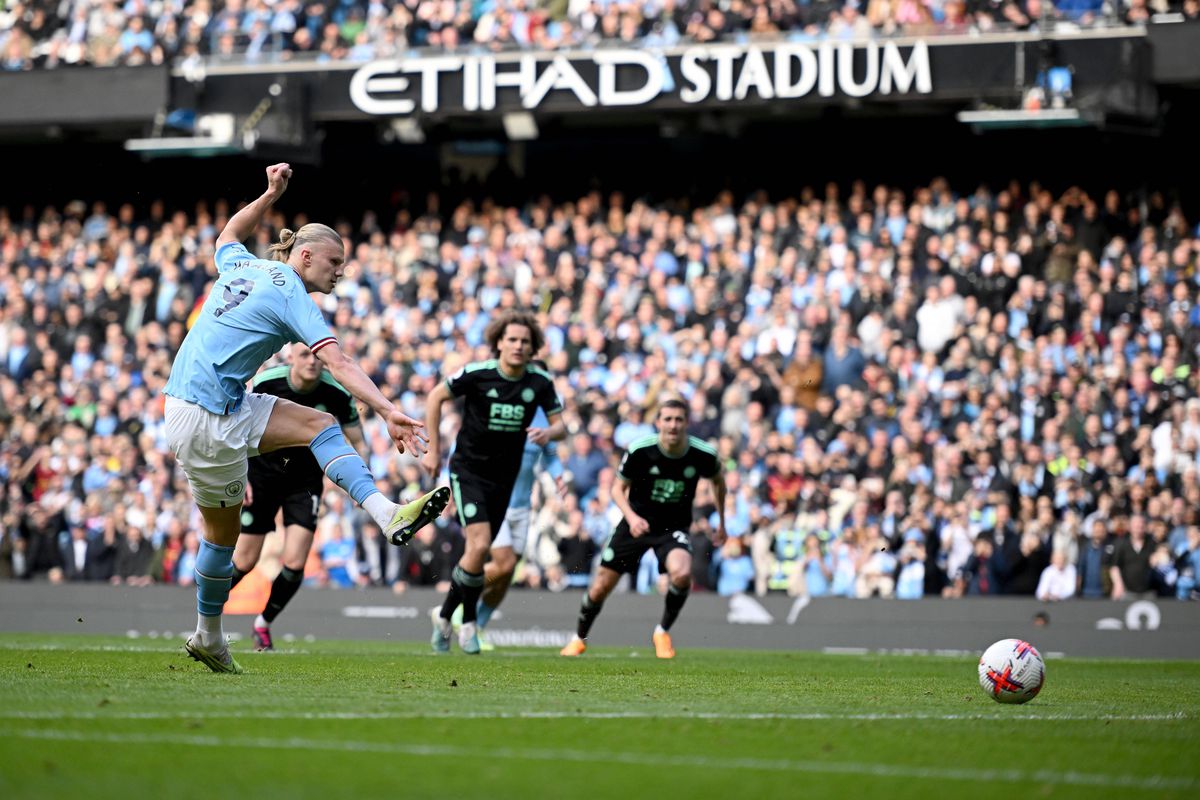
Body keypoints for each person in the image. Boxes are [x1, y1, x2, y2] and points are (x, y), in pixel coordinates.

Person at [163, 163, 449, 674]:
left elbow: (229, 233)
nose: (339, 271)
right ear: (306, 255)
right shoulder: (290, 289)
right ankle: (385, 512)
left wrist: (270, 193)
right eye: (334, 262)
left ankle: (209, 636)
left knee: (221, 538)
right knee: (319, 428)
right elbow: (338, 362)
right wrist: (388, 411)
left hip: (187, 410)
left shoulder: (242, 266)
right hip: (214, 417)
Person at [421, 310, 565, 654]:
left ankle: (444, 616)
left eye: (525, 342)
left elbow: (563, 425)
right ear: (499, 343)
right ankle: (468, 621)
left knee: (481, 552)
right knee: (482, 544)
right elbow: (435, 397)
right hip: (468, 471)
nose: (518, 346)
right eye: (512, 339)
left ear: (533, 348)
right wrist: (433, 451)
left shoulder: (539, 384)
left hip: (506, 477)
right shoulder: (477, 374)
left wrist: (549, 432)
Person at [560, 397, 726, 659]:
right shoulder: (640, 450)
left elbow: (719, 482)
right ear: (658, 422)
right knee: (600, 587)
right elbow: (616, 488)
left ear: (686, 423)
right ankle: (578, 638)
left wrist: (723, 523)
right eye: (667, 419)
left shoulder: (702, 454)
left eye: (678, 419)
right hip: (635, 524)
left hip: (673, 527)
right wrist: (632, 517)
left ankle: (662, 631)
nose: (673, 425)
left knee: (682, 574)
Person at [228, 342, 368, 651]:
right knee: (245, 560)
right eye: (305, 355)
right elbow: (237, 426)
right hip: (262, 474)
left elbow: (358, 439)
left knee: (294, 562)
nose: (312, 362)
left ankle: (263, 624)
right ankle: (205, 615)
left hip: (304, 481)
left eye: (318, 356)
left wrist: (362, 484)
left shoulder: (337, 393)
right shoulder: (267, 382)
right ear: (291, 356)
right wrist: (239, 475)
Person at [451, 403, 567, 651]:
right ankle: (457, 607)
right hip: (493, 501)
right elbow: (462, 444)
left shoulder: (543, 418)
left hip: (523, 508)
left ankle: (477, 626)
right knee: (504, 563)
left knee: (507, 573)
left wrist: (558, 476)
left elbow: (550, 453)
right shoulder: (502, 408)